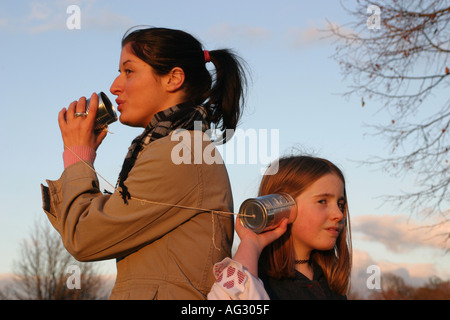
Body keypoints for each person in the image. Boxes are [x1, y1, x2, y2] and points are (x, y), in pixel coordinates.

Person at [41, 26, 248, 300]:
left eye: (129, 71)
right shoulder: (173, 147)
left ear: (173, 78)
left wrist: (78, 155)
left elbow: (84, 237)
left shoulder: (178, 152)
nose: (115, 86)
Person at [208, 155, 352, 300]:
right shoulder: (261, 281)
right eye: (322, 201)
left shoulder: (331, 287)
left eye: (340, 204)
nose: (339, 214)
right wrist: (250, 243)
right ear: (283, 205)